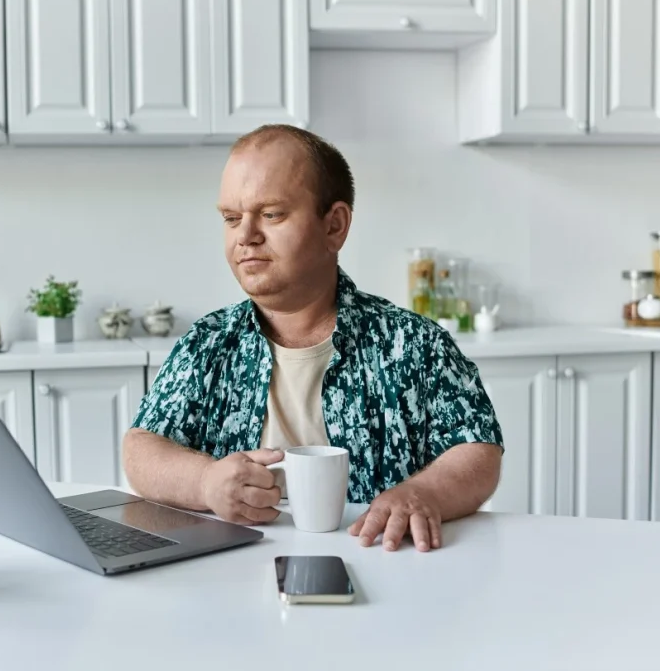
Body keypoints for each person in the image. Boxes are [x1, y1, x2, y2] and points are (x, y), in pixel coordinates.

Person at [121, 124, 504, 553]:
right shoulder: (207, 344)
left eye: (271, 214)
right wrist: (205, 482)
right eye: (231, 218)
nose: (245, 236)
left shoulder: (414, 344)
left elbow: (476, 448)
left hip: (384, 564)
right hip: (232, 581)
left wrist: (425, 493)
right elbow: (142, 448)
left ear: (334, 226)